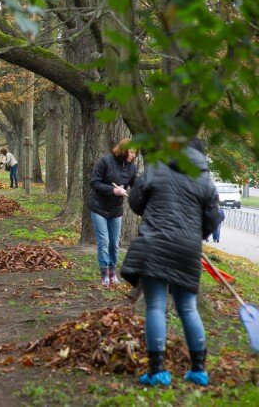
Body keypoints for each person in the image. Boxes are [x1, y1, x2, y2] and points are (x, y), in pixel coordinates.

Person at [121, 138, 221, 387]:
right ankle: (198, 370)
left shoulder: (156, 168)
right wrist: (198, 234)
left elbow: (135, 201)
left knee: (155, 306)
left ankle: (158, 372)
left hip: (154, 243)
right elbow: (212, 217)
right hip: (187, 249)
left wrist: (152, 209)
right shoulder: (204, 180)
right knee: (188, 307)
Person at [88, 138, 138, 286]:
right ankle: (104, 275)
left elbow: (136, 186)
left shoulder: (132, 168)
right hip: (98, 207)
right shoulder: (105, 161)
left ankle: (112, 273)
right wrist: (113, 190)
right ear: (123, 150)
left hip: (116, 210)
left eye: (136, 153)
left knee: (114, 244)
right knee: (104, 241)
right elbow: (94, 182)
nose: (134, 155)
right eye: (131, 151)